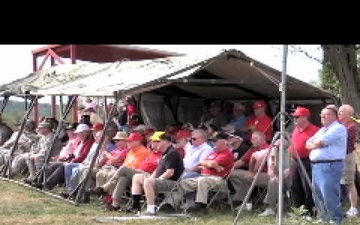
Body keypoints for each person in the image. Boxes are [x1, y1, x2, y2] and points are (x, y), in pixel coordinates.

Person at [306, 105, 347, 224]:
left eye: (326, 115)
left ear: (334, 116)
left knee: (329, 194)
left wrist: (316, 144)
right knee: (317, 194)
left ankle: (335, 220)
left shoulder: (338, 128)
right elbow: (308, 142)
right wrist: (315, 144)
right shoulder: (322, 130)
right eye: (321, 115)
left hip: (330, 165)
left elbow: (320, 142)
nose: (322, 117)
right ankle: (323, 218)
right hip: (317, 166)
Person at [130, 133, 184, 215]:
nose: (155, 144)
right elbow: (157, 170)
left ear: (166, 141)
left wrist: (155, 180)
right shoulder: (164, 153)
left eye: (159, 141)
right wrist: (152, 178)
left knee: (148, 182)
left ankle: (151, 209)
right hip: (161, 180)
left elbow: (170, 173)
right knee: (137, 177)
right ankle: (136, 207)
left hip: (171, 182)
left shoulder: (172, 153)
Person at [287, 106, 320, 217]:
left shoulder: (315, 130)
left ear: (305, 117)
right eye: (295, 117)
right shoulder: (296, 129)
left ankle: (310, 211)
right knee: (295, 185)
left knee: (307, 186)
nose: (295, 119)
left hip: (308, 161)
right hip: (296, 160)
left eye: (297, 117)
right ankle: (298, 210)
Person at [338, 104, 359, 217]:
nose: (339, 113)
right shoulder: (341, 125)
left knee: (349, 183)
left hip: (347, 157)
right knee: (342, 182)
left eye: (341, 112)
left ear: (349, 114)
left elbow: (345, 144)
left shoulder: (351, 127)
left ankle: (354, 208)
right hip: (339, 157)